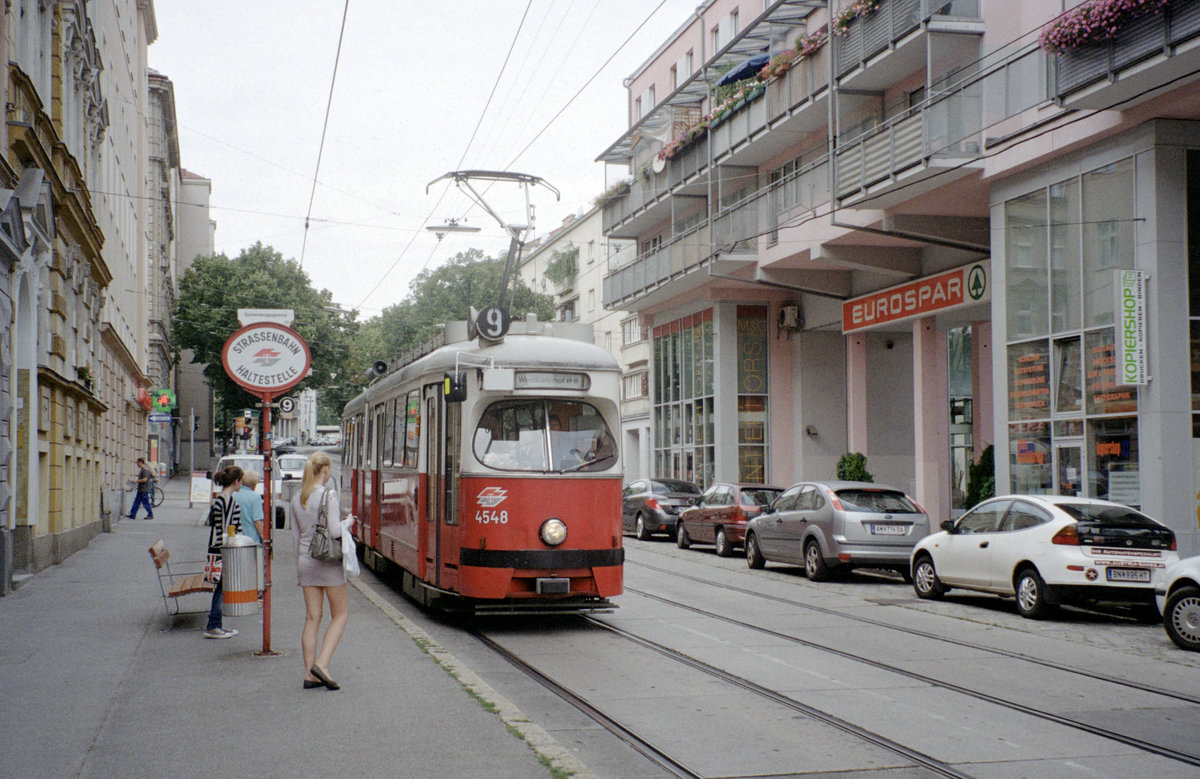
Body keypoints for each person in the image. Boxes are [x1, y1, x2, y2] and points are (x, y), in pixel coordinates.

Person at [291, 450, 347, 690]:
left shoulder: (297, 498)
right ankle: (322, 664)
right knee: (340, 615)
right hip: (327, 562)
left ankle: (309, 674)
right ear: (325, 469)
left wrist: (299, 571)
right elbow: (334, 531)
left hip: (305, 561)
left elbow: (295, 539)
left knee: (312, 618)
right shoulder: (328, 495)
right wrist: (349, 523)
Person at [204, 466, 243, 639]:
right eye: (240, 480)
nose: (241, 484)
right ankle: (214, 625)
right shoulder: (228, 501)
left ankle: (216, 624)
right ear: (236, 481)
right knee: (221, 587)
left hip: (216, 547)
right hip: (224, 549)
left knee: (221, 587)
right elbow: (229, 528)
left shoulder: (220, 499)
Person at [233, 470, 265, 544]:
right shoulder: (255, 497)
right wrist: (263, 537)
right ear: (254, 484)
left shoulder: (234, 494)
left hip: (235, 535)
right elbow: (257, 521)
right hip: (250, 537)